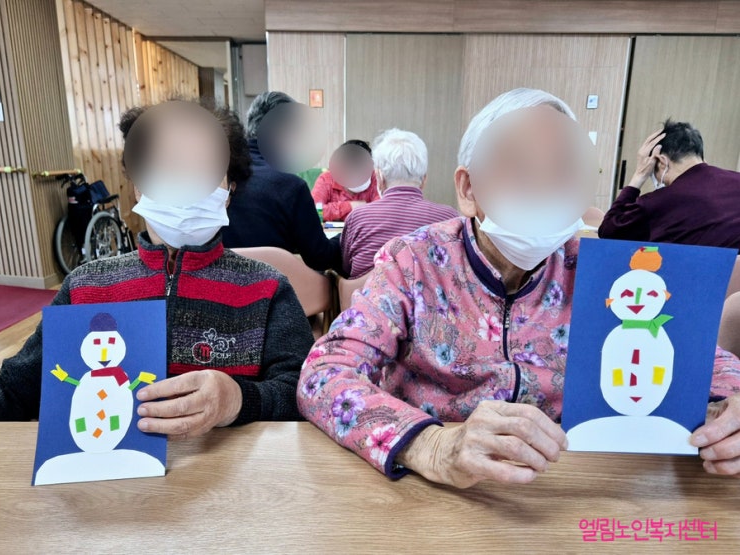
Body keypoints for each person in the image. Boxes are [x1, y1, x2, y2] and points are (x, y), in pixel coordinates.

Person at [297, 88, 740, 488]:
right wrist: (432, 447)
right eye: (520, 168)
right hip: (433, 491)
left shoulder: (601, 271)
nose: (544, 187)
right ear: (469, 188)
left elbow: (706, 363)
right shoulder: (412, 262)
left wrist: (731, 408)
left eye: (563, 169)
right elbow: (323, 375)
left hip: (566, 487)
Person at [0, 100, 315, 438]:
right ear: (138, 185)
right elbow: (16, 390)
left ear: (229, 190)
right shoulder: (84, 288)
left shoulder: (267, 289)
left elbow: (306, 393)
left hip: (232, 467)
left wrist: (239, 399)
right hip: (108, 465)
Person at [221, 91, 342, 273]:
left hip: (213, 285)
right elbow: (320, 258)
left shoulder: (216, 178)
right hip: (274, 287)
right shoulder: (291, 187)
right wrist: (346, 236)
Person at [599, 121, 740, 248]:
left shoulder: (659, 201)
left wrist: (639, 176)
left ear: (661, 162)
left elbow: (608, 231)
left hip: (688, 268)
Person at [341, 129, 458, 278]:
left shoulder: (358, 217)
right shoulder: (450, 218)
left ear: (379, 177)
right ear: (424, 179)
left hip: (368, 293)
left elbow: (346, 267)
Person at [311, 140, 380, 222]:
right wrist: (350, 206)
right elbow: (313, 211)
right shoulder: (326, 179)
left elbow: (381, 211)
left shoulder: (376, 178)